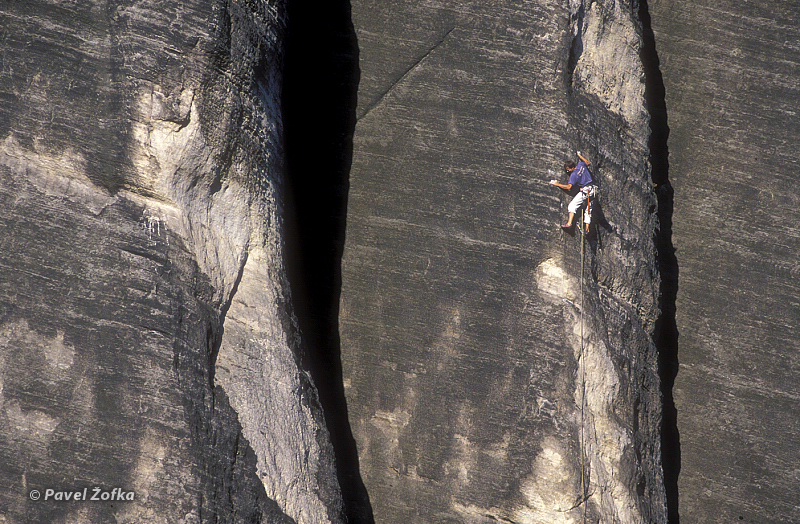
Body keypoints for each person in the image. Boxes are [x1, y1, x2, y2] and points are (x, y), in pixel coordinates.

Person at [550, 151, 597, 233]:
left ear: (571, 168)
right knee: (588, 210)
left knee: (572, 205)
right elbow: (587, 163)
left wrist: (557, 184)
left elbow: (569, 187)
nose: (568, 171)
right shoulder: (580, 165)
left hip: (586, 191)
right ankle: (587, 229)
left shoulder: (574, 175)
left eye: (568, 170)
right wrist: (580, 155)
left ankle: (569, 223)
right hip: (593, 190)